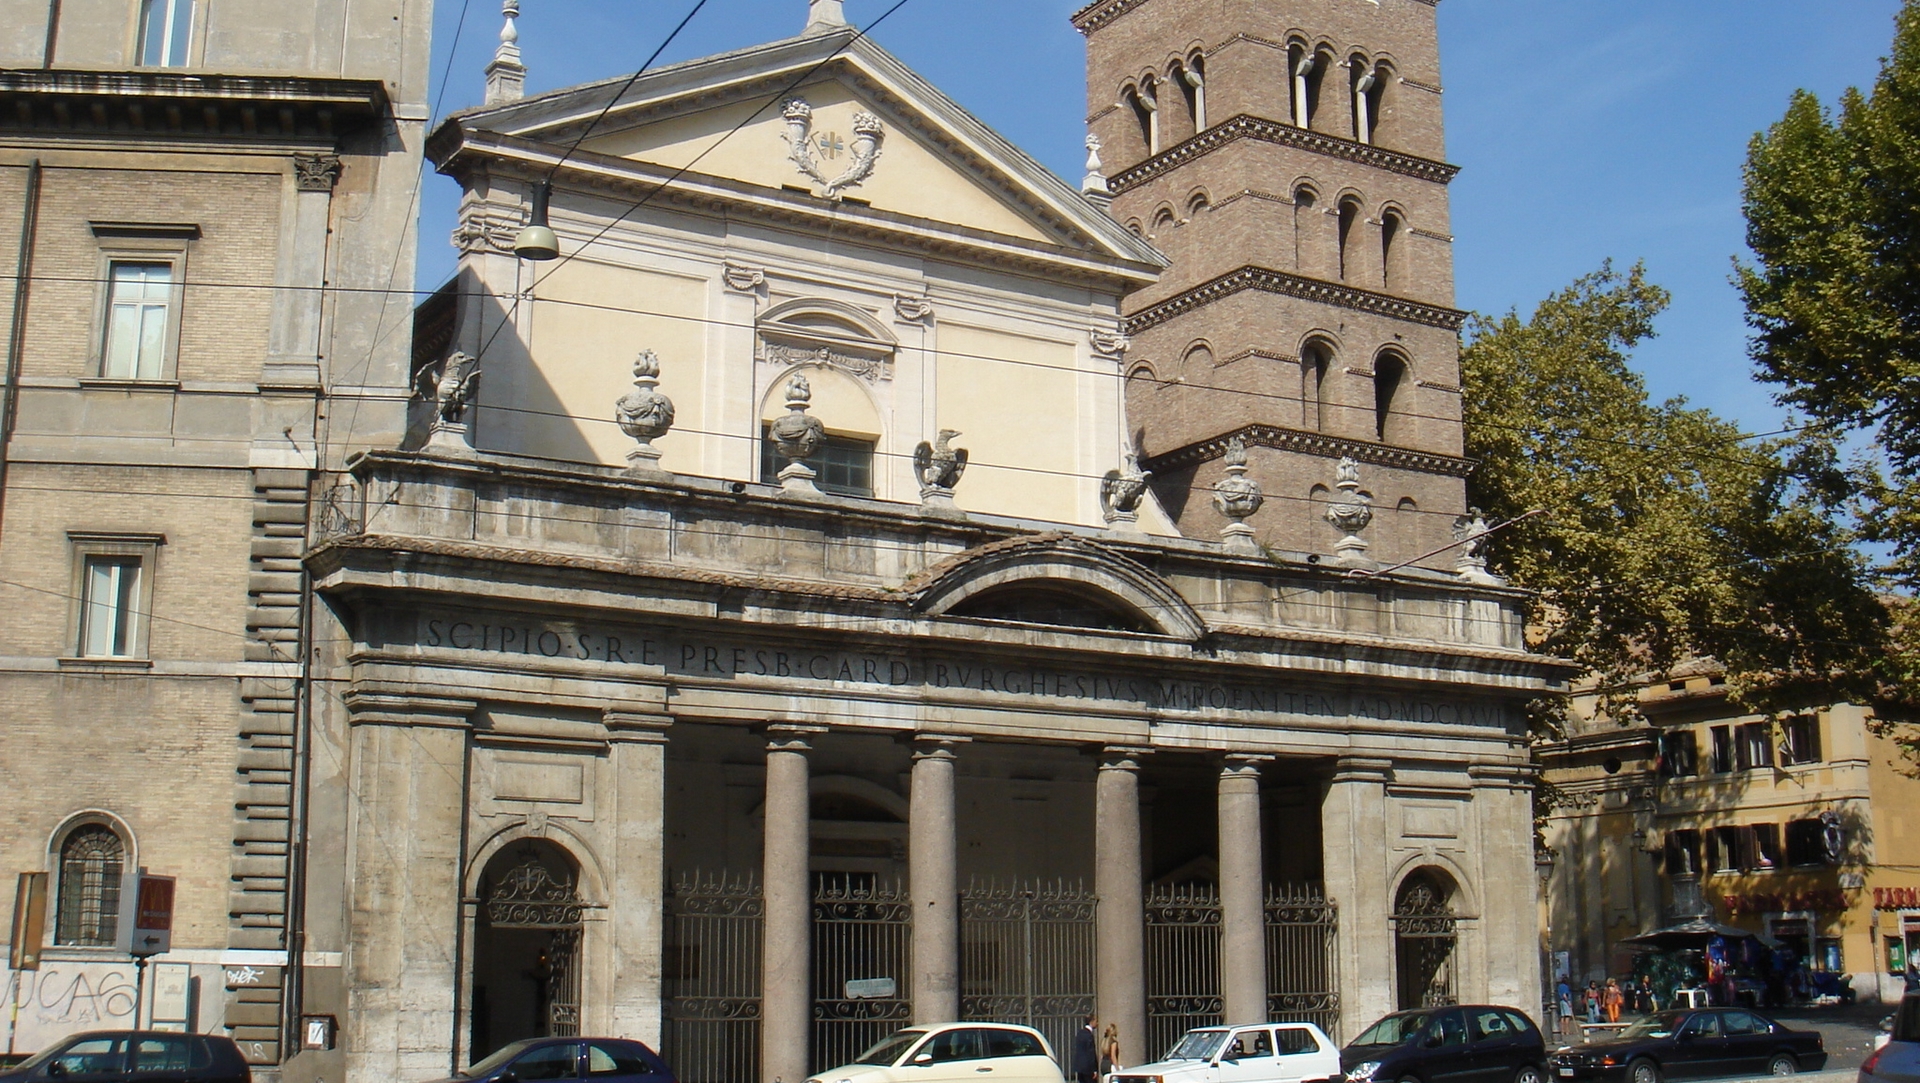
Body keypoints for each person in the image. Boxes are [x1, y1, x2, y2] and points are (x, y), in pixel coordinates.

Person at [1073, 1014, 1098, 1083]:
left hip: (1080, 1067)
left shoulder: (1080, 1033)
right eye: (1096, 1021)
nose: (1097, 1023)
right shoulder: (1089, 1035)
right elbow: (1091, 1053)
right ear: (1091, 1021)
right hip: (1088, 1068)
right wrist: (1094, 1069)